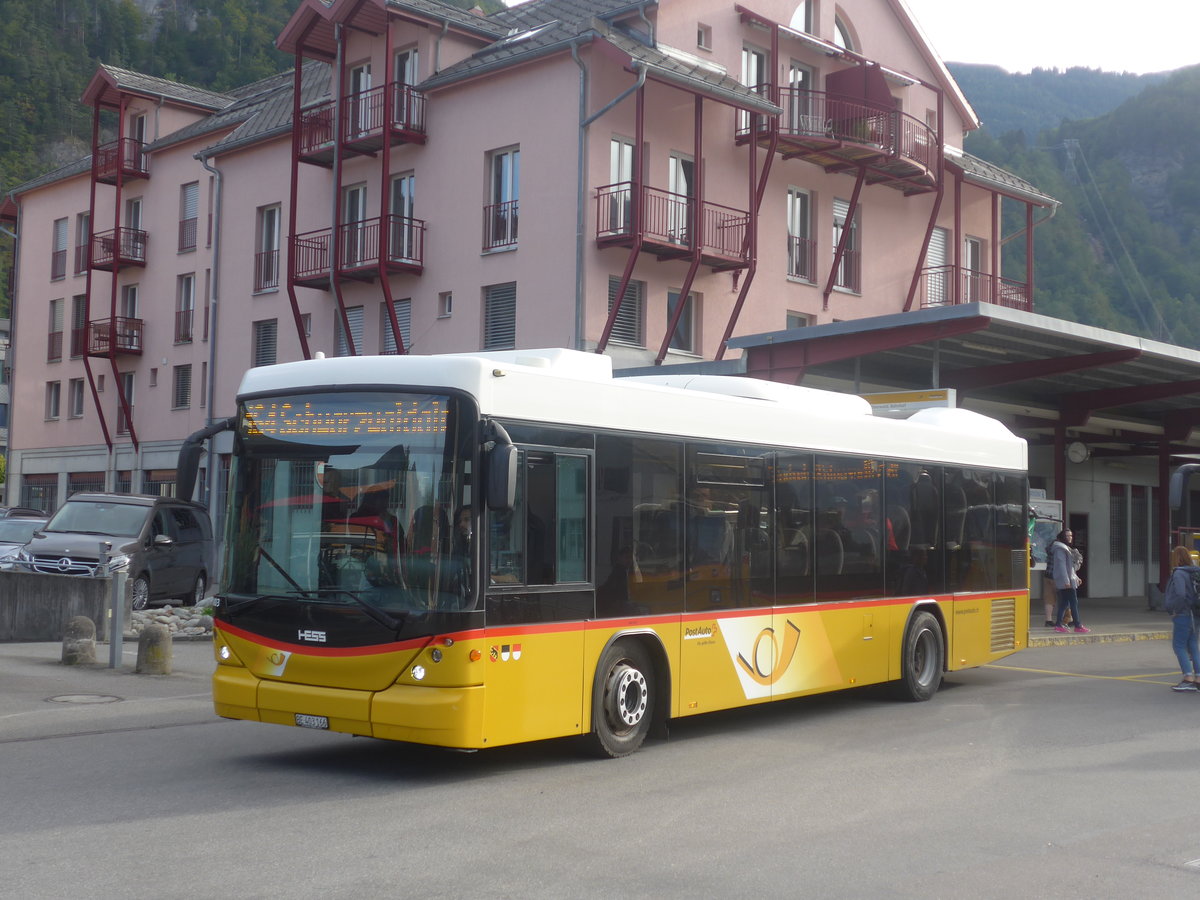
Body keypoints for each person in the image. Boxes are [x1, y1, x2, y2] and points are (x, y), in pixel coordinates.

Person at [1164, 545, 1200, 691]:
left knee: (1178, 646)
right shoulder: (1195, 572)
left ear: (1177, 558)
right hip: (1195, 614)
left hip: (1183, 614)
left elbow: (1180, 594)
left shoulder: (1179, 573)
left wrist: (1175, 610)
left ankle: (1188, 678)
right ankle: (1198, 677)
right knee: (1192, 645)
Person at [1050, 529, 1089, 634]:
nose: (1070, 537)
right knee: (1073, 603)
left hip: (1068, 580)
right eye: (1067, 536)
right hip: (1066, 582)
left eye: (1071, 535)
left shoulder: (1065, 548)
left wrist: (1076, 577)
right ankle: (1078, 625)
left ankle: (1058, 625)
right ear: (1062, 537)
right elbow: (1062, 567)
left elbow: (1069, 567)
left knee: (1064, 603)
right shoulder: (1060, 549)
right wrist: (1067, 581)